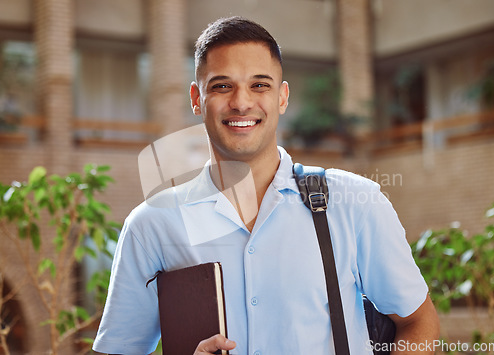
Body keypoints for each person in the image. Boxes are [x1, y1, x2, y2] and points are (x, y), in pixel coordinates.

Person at [93, 16, 440, 355]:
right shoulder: (152, 224)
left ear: (282, 97)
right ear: (197, 99)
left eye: (259, 84)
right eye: (222, 86)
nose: (242, 102)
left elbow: (418, 322)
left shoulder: (355, 202)